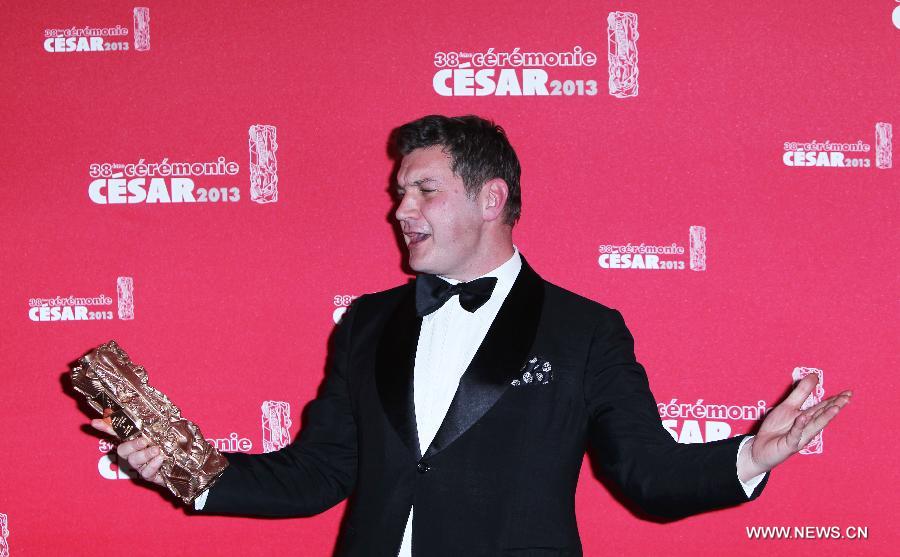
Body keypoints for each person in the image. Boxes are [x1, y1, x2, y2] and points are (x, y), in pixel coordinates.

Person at [92, 115, 852, 556]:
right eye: (398, 193)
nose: (401, 210)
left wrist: (751, 454)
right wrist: (186, 469)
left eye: (425, 189)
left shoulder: (585, 331)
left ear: (492, 198)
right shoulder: (366, 323)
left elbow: (644, 474)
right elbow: (319, 472)